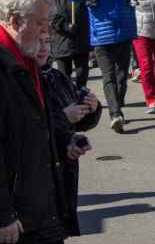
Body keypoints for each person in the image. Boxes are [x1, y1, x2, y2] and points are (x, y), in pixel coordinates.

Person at [0, 0, 67, 244]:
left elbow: (35, 123)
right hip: (16, 214)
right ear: (16, 21)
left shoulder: (27, 58)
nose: (45, 31)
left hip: (39, 203)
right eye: (40, 23)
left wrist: (66, 139)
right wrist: (3, 214)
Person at [69, 0, 153, 133]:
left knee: (122, 76)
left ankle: (118, 104)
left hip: (124, 35)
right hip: (101, 38)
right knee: (109, 77)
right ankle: (115, 114)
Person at [36, 34, 102, 240]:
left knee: (56, 230)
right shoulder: (19, 80)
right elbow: (27, 129)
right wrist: (64, 118)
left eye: (47, 42)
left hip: (62, 171)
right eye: (38, 41)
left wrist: (91, 108)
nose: (43, 48)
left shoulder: (56, 77)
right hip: (36, 175)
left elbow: (79, 123)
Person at [49, 0, 90, 88]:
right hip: (61, 40)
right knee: (64, 74)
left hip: (80, 38)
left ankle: (82, 91)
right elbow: (51, 18)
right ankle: (67, 94)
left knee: (82, 71)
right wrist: (65, 26)